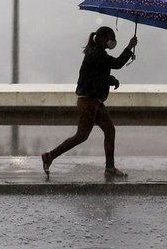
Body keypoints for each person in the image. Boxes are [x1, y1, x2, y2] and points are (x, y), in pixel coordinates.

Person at [41, 26, 137, 178]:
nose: (110, 42)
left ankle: (110, 168)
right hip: (89, 102)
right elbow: (116, 64)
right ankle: (50, 156)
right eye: (108, 39)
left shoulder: (96, 54)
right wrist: (129, 47)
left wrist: (110, 79)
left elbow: (99, 75)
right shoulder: (97, 54)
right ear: (99, 39)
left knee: (109, 130)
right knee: (82, 135)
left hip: (95, 101)